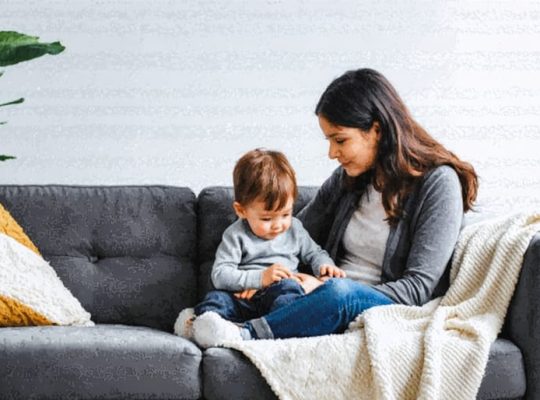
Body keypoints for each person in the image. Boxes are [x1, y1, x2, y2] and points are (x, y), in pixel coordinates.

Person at [190, 68, 479, 349]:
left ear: (375, 130)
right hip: (324, 297)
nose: (331, 153)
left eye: (340, 140)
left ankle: (246, 336)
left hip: (372, 302)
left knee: (340, 292)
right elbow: (292, 238)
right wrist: (261, 278)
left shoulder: (439, 183)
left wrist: (323, 290)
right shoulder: (346, 179)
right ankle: (212, 323)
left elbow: (416, 288)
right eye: (329, 141)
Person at [174, 148, 345, 339]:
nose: (278, 225)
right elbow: (220, 275)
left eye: (286, 214)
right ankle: (202, 327)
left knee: (290, 292)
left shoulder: (295, 229)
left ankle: (270, 329)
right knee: (215, 300)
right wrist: (260, 278)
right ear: (241, 210)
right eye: (266, 218)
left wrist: (325, 265)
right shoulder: (236, 235)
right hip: (243, 298)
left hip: (279, 294)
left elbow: (315, 253)